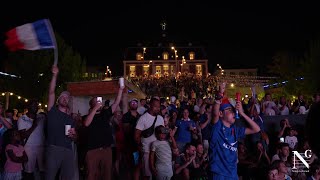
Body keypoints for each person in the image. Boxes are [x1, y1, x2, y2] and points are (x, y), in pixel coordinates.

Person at [209, 82, 261, 179]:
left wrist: (242, 113)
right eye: (229, 110)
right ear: (221, 114)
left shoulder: (235, 130)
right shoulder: (217, 128)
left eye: (232, 110)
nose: (232, 113)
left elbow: (256, 129)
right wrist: (219, 96)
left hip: (233, 174)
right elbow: (215, 114)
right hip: (219, 174)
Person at [84, 85, 124, 180]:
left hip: (106, 150)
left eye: (99, 101)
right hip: (93, 150)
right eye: (96, 101)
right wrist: (95, 109)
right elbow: (86, 124)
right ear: (91, 104)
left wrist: (120, 90)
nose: (99, 102)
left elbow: (116, 103)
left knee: (107, 175)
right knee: (92, 175)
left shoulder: (105, 114)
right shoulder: (88, 116)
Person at [46, 65, 77, 180]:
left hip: (68, 150)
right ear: (58, 100)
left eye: (67, 98)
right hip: (54, 148)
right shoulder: (52, 110)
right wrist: (55, 75)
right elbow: (51, 92)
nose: (65, 99)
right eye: (63, 97)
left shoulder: (70, 118)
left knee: (68, 177)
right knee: (50, 177)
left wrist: (73, 136)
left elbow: (74, 137)